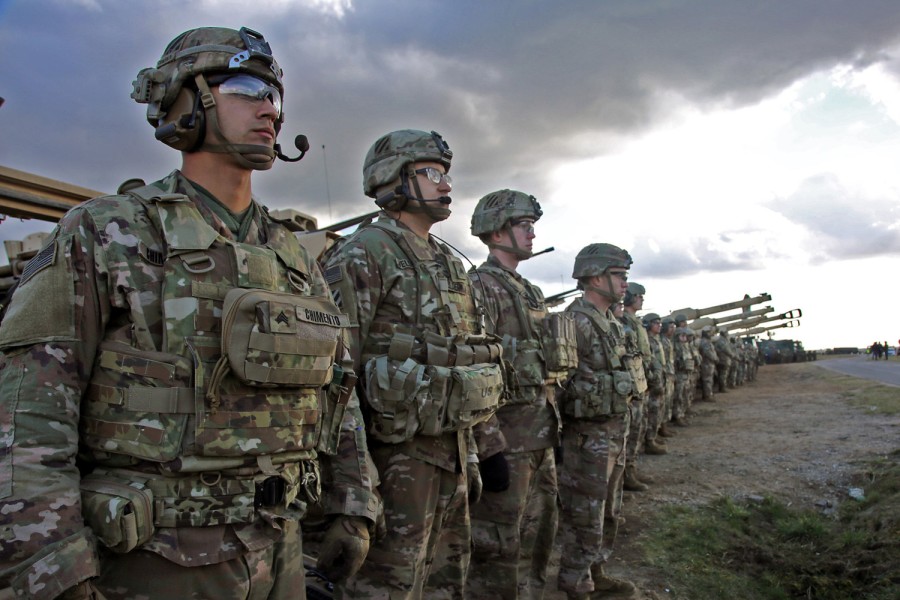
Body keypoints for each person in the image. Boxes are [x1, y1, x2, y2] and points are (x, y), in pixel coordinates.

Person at [0, 27, 378, 600]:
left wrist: (354, 505)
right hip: (157, 559)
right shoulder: (108, 231)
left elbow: (336, 391)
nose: (270, 110)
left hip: (280, 547)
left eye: (276, 95)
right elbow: (26, 417)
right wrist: (54, 569)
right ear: (185, 100)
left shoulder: (293, 254)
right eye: (248, 87)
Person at [321, 129, 506, 599]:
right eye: (431, 173)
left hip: (453, 452)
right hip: (395, 463)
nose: (445, 184)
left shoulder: (449, 262)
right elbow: (334, 375)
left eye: (446, 174)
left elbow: (469, 356)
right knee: (390, 584)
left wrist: (482, 446)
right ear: (393, 178)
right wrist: (353, 489)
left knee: (447, 577)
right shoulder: (364, 253)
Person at [466, 190, 575, 599]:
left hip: (538, 437)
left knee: (538, 538)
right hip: (506, 444)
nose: (532, 234)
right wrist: (489, 447)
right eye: (523, 226)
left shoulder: (527, 291)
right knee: (497, 548)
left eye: (533, 226)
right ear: (496, 231)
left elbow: (544, 369)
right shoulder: (479, 287)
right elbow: (474, 370)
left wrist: (554, 431)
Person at [557, 243, 637, 600]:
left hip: (613, 429)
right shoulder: (576, 321)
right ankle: (576, 578)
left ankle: (596, 569)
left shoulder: (611, 322)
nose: (624, 284)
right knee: (585, 511)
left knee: (608, 508)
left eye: (624, 276)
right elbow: (559, 383)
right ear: (594, 277)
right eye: (618, 276)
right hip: (587, 436)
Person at [620, 282, 655, 490]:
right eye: (639, 296)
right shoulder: (624, 321)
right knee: (630, 431)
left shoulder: (636, 322)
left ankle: (631, 469)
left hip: (641, 380)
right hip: (632, 384)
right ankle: (626, 474)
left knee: (638, 429)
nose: (642, 299)